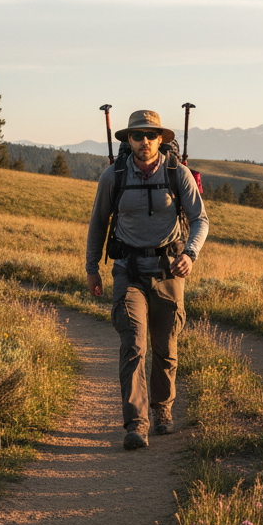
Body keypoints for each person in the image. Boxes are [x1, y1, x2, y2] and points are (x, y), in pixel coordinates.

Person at [85, 109, 209, 450]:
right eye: (137, 136)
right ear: (129, 140)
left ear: (160, 139)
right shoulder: (114, 176)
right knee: (134, 346)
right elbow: (98, 224)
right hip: (128, 271)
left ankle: (163, 410)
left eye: (150, 136)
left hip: (170, 270)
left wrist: (190, 254)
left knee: (166, 347)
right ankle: (136, 424)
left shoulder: (177, 174)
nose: (143, 142)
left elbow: (201, 220)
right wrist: (92, 268)